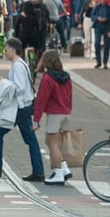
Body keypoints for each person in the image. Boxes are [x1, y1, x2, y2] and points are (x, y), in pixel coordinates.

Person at [0, 38, 45, 181]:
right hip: (25, 108)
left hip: (20, 108)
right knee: (30, 140)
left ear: (13, 50)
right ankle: (38, 171)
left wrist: (3, 83)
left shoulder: (17, 66)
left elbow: (19, 87)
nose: (4, 52)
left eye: (6, 49)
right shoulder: (22, 64)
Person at [31, 49, 73, 185]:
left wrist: (36, 119)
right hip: (66, 113)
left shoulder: (48, 78)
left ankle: (59, 173)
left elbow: (42, 100)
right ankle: (64, 169)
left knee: (52, 143)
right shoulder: (66, 77)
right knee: (55, 142)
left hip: (55, 113)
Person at [91, 0, 110, 69]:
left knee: (107, 44)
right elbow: (92, 15)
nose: (104, 0)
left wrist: (106, 20)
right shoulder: (97, 6)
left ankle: (105, 62)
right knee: (97, 43)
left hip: (106, 27)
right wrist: (97, 18)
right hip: (98, 26)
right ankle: (98, 61)